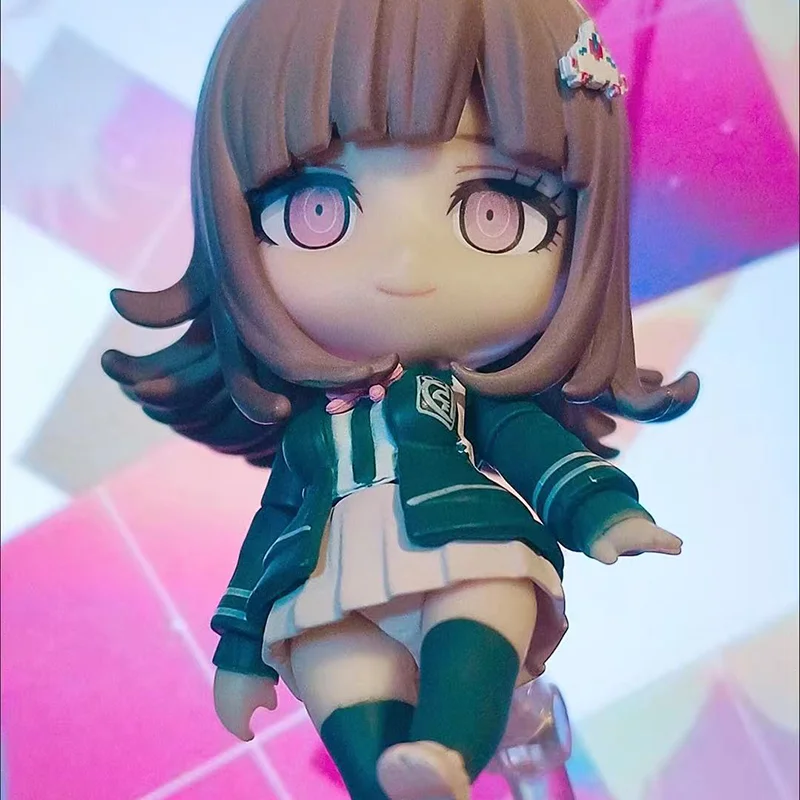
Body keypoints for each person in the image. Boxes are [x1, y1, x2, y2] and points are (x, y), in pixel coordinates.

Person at [102, 1, 698, 797]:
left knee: (487, 594)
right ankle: (385, 782)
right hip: (328, 571)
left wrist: (602, 513)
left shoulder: (459, 402)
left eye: (495, 208)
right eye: (318, 207)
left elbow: (534, 448)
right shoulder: (309, 442)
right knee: (331, 660)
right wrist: (241, 650)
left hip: (456, 536)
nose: (406, 265)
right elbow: (270, 529)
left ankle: (447, 749)